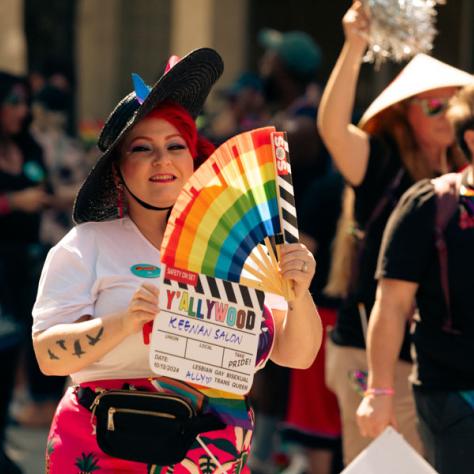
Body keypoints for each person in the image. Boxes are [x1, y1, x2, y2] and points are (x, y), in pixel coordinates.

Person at [32, 48, 322, 473]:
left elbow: (295, 357)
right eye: (142, 148)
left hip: (208, 449)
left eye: (175, 146)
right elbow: (47, 356)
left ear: (194, 159)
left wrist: (298, 295)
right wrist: (125, 322)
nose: (162, 160)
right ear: (117, 170)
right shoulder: (85, 246)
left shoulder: (245, 252)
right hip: (101, 444)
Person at [317, 1, 473, 465]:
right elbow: (331, 127)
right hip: (372, 357)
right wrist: (354, 46)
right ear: (406, 114)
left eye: (455, 103)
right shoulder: (380, 160)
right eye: (432, 104)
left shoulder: (462, 178)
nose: (446, 113)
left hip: (435, 366)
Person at [356, 83, 474, 474]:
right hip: (455, 397)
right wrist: (379, 392)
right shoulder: (430, 205)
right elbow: (391, 306)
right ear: (472, 138)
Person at [0, 71, 50, 473]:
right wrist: (14, 202)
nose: (22, 110)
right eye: (13, 102)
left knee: (11, 354)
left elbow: (46, 185)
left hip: (25, 267)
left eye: (23, 102)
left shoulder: (27, 147)